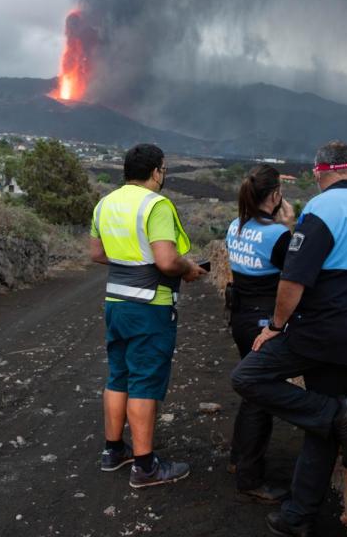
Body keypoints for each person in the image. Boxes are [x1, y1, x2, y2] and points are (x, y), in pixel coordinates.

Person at [231, 140, 347, 536]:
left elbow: (293, 279)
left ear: (321, 173)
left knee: (247, 378)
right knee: (325, 428)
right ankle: (297, 517)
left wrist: (275, 326)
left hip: (317, 332)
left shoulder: (321, 209)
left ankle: (331, 415)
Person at [89, 143, 207, 489]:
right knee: (144, 380)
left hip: (116, 302)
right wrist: (187, 269)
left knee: (118, 375)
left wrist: (128, 265)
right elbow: (167, 261)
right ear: (157, 171)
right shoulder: (156, 205)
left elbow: (97, 253)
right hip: (150, 305)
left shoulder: (105, 203)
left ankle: (113, 451)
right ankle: (145, 467)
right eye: (164, 169)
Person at [225, 164, 295, 502]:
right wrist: (289, 225)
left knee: (252, 388)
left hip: (239, 315)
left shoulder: (235, 226)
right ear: (276, 195)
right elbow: (294, 273)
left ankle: (239, 459)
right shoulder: (278, 235)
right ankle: (250, 477)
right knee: (261, 394)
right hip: (262, 323)